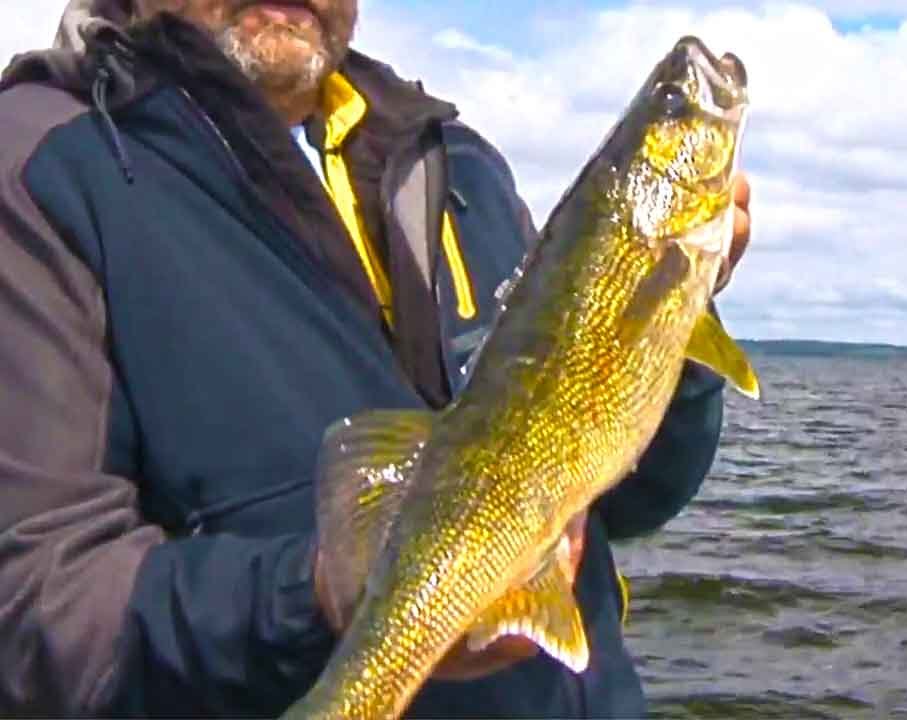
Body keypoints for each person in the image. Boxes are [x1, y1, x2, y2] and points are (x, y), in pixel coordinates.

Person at [0, 0, 752, 717]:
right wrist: (320, 597)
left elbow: (629, 496)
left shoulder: (458, 163)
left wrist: (668, 328)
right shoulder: (41, 166)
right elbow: (38, 613)